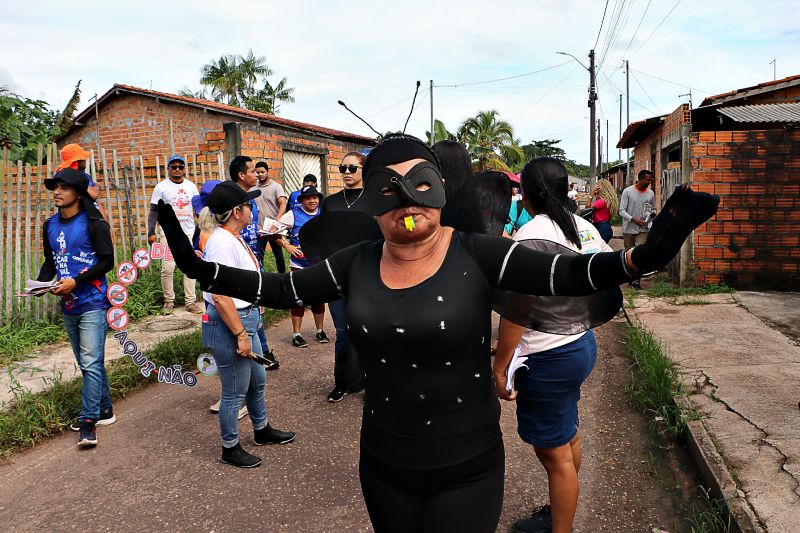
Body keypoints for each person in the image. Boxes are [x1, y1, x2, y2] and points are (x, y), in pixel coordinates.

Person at [157, 134, 718, 532]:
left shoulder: (479, 253)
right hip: (383, 464)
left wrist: (640, 258)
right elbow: (280, 290)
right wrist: (197, 264)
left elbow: (566, 272)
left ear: (442, 189)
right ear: (370, 203)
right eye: (387, 189)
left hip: (467, 468)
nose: (405, 202)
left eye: (418, 183)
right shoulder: (355, 262)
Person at [493, 158, 614, 533]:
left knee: (553, 454)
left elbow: (517, 311)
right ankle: (560, 507)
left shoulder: (529, 237)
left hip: (546, 357)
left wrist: (500, 366)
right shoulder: (584, 228)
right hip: (580, 344)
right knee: (567, 432)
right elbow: (606, 277)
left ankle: (560, 526)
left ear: (523, 194)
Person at [199, 180, 295, 467]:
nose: (252, 207)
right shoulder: (221, 243)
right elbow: (219, 293)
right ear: (236, 211)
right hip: (231, 322)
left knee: (258, 379)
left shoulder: (232, 237)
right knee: (234, 390)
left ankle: (262, 430)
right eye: (248, 204)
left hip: (246, 316)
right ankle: (230, 447)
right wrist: (240, 332)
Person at [36, 169, 115, 447]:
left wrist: (77, 281)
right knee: (86, 363)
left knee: (91, 362)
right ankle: (105, 409)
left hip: (93, 302)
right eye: (55, 187)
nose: (57, 192)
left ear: (78, 193)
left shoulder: (95, 223)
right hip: (69, 305)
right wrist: (40, 284)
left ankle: (88, 421)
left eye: (64, 188)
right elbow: (51, 261)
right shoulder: (50, 225)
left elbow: (107, 262)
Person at [320, 152, 368, 402]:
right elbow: (322, 235)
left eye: (352, 168)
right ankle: (343, 381)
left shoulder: (375, 199)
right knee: (342, 331)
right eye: (342, 168)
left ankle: (372, 381)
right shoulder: (330, 202)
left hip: (369, 275)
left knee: (370, 330)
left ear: (363, 170)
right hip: (337, 276)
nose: (347, 172)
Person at [230, 156, 278, 369]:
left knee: (256, 309)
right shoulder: (230, 199)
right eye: (253, 171)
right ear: (242, 175)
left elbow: (249, 230)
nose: (257, 174)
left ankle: (262, 352)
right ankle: (251, 355)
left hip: (254, 260)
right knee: (245, 310)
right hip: (238, 267)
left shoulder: (251, 198)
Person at [274, 185, 329, 348]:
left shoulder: (324, 213)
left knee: (319, 299)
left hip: (319, 265)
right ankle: (296, 334)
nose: (312, 200)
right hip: (299, 265)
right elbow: (272, 231)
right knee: (298, 299)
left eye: (315, 197)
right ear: (302, 201)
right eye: (308, 198)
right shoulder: (292, 215)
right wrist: (286, 245)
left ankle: (320, 331)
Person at [147, 155, 201, 314]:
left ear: (184, 168)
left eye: (180, 166)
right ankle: (168, 301)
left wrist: (202, 229)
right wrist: (151, 232)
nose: (177, 169)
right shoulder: (161, 187)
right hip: (168, 234)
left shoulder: (191, 186)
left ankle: (190, 302)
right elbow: (153, 211)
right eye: (174, 166)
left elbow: (198, 210)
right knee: (168, 268)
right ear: (168, 169)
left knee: (190, 267)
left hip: (189, 233)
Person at [620, 170, 656, 288]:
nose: (649, 182)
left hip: (644, 229)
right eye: (648, 180)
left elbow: (654, 209)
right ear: (640, 179)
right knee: (629, 254)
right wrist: (634, 220)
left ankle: (636, 280)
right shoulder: (628, 191)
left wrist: (652, 215)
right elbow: (621, 211)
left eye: (651, 180)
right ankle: (630, 276)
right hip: (629, 229)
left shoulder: (650, 193)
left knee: (640, 254)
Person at [252, 161, 288, 273]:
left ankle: (283, 278)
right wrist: (254, 224)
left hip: (273, 228)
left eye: (262, 172)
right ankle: (260, 278)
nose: (260, 174)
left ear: (268, 172)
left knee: (278, 255)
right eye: (257, 172)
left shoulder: (276, 187)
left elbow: (283, 204)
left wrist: (276, 221)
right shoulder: (253, 189)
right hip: (259, 229)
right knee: (259, 255)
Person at [585, 180, 615, 245]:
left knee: (599, 250)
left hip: (602, 227)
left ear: (599, 189)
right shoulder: (606, 200)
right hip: (606, 227)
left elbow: (587, 207)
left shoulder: (602, 201)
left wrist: (592, 193)